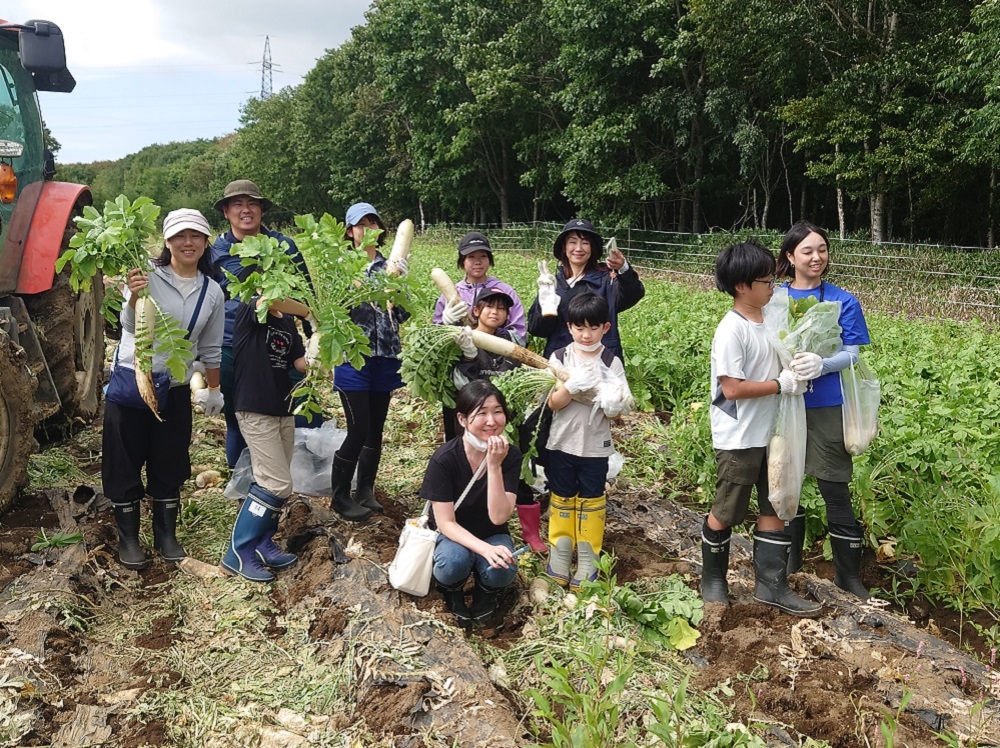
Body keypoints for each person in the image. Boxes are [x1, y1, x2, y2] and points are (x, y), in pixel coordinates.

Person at [702, 240, 820, 617]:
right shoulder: (731, 330)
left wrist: (801, 366)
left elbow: (784, 357)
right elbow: (731, 388)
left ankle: (772, 585)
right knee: (727, 509)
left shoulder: (770, 320)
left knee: (775, 502)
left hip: (774, 430)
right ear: (741, 286)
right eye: (766, 280)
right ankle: (713, 579)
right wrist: (779, 384)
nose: (773, 286)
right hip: (740, 436)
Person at [103, 209, 225, 569]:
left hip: (173, 387)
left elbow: (212, 348)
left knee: (170, 461)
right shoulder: (146, 275)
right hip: (131, 382)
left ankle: (165, 535)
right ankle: (128, 539)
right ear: (167, 242)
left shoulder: (212, 291)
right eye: (179, 237)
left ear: (205, 242)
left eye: (195, 236)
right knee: (122, 461)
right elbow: (127, 325)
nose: (187, 243)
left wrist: (214, 390)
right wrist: (132, 296)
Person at [778, 222, 872, 599]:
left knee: (835, 484)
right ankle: (789, 565)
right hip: (783, 401)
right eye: (807, 251)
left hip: (827, 402)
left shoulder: (842, 300)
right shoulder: (774, 299)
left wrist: (822, 363)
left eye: (822, 249)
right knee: (786, 482)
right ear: (790, 256)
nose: (816, 257)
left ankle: (847, 576)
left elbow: (852, 353)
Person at [209, 179, 318, 470]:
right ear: (226, 211)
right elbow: (208, 299)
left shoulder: (285, 245)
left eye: (252, 203)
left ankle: (292, 486)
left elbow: (306, 292)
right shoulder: (216, 251)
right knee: (237, 418)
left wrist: (314, 335)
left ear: (261, 210)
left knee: (294, 412)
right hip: (234, 347)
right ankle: (244, 488)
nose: (246, 210)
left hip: (281, 345)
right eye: (238, 204)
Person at [544, 293, 634, 590]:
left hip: (595, 446)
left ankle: (587, 561)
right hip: (561, 442)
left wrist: (613, 406)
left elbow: (619, 411)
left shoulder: (611, 361)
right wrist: (569, 387)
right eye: (579, 328)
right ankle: (559, 555)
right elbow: (553, 403)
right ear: (569, 327)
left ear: (605, 328)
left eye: (593, 328)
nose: (586, 335)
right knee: (562, 496)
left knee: (592, 499)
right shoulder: (559, 358)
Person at [220, 293, 309, 582]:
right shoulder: (251, 308)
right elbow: (268, 300)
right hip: (254, 407)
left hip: (282, 406)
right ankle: (237, 553)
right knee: (277, 483)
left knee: (271, 481)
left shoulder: (288, 323)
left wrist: (324, 345)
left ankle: (262, 543)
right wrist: (311, 312)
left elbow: (298, 364)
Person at [450, 289, 547, 553]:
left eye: (502, 309)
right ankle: (461, 521)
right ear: (477, 311)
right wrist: (468, 356)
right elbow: (459, 383)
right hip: (473, 421)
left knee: (518, 465)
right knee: (468, 469)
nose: (495, 312)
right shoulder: (463, 338)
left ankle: (530, 530)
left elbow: (519, 376)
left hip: (507, 418)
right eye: (489, 306)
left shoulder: (511, 342)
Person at [330, 202, 409, 521]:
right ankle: (339, 496)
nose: (367, 229)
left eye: (373, 223)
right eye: (360, 224)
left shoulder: (393, 265)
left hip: (386, 357)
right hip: (352, 358)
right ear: (350, 232)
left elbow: (401, 314)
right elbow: (330, 309)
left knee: (375, 428)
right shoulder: (339, 265)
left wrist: (398, 287)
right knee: (358, 427)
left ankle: (365, 489)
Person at [420, 380, 521, 623]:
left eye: (497, 412)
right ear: (463, 419)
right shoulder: (445, 459)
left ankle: (486, 592)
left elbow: (499, 517)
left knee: (504, 568)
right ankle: (452, 590)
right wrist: (484, 550)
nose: (491, 421)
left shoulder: (511, 455)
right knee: (453, 562)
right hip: (453, 534)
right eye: (481, 413)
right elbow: (446, 523)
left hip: (491, 531)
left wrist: (495, 465)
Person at [435, 231, 526, 441]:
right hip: (459, 375)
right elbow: (436, 334)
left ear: (490, 260)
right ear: (462, 261)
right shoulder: (451, 293)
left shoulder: (505, 291)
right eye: (471, 257)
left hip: (494, 369)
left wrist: (487, 337)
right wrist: (445, 323)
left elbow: (519, 334)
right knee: (460, 433)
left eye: (483, 256)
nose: (478, 262)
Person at [527, 218, 645, 361]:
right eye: (572, 242)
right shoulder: (553, 284)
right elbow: (537, 329)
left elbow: (633, 294)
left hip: (601, 363)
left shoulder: (607, 279)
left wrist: (623, 268)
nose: (578, 248)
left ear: (592, 248)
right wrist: (545, 303)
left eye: (585, 242)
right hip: (561, 363)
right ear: (564, 247)